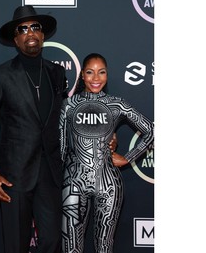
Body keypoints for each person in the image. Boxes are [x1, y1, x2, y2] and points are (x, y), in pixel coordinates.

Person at [0, 6, 117, 253]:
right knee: (16, 245)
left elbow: (66, 118)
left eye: (35, 27)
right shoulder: (0, 76)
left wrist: (103, 135)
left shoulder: (56, 72)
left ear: (42, 35)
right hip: (13, 176)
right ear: (16, 38)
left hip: (51, 173)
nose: (30, 32)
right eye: (23, 29)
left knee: (52, 242)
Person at [60, 53, 154, 253]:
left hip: (109, 184)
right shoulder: (68, 105)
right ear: (82, 75)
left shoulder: (116, 104)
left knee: (104, 246)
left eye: (101, 72)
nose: (96, 78)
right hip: (73, 184)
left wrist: (128, 158)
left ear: (107, 75)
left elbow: (151, 130)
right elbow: (60, 149)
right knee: (71, 247)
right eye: (90, 72)